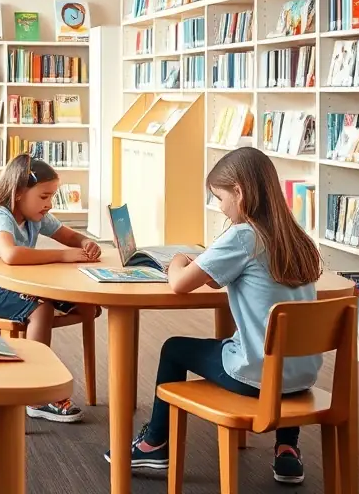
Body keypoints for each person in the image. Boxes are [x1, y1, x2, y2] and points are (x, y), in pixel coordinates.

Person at [105, 148, 322, 485]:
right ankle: (287, 449)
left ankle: (153, 445)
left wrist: (179, 258)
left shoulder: (244, 236)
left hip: (256, 380)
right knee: (278, 346)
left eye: (219, 198)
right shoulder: (297, 238)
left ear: (240, 192)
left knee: (174, 348)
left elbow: (179, 284)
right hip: (301, 378)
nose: (219, 207)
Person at [0, 153, 100, 422]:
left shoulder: (35, 215)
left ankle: (35, 370)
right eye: (44, 197)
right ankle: (36, 392)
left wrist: (84, 242)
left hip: (10, 283)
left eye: (52, 196)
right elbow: (11, 255)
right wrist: (65, 255)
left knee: (88, 306)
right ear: (19, 192)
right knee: (41, 311)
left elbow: (68, 236)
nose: (49, 204)